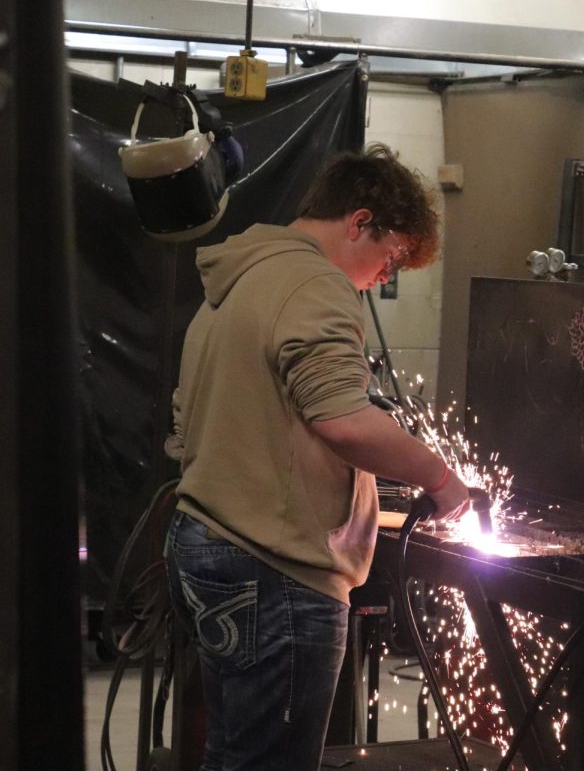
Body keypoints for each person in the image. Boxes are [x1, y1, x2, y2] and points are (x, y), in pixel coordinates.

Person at [164, 143, 469, 771]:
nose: (387, 277)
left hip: (206, 543)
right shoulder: (317, 285)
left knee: (232, 756)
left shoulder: (243, 274)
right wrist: (441, 478)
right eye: (392, 257)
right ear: (359, 222)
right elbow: (345, 422)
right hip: (274, 569)